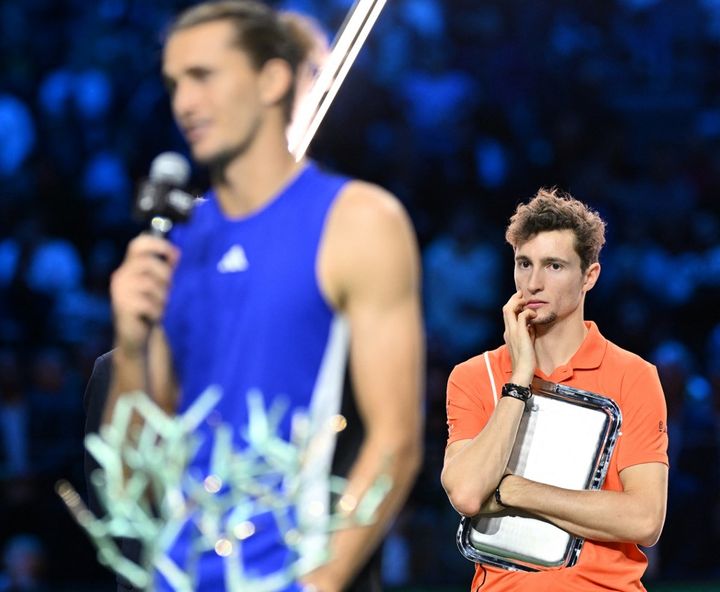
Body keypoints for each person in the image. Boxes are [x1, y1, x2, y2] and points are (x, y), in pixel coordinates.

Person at [97, 1, 424, 591]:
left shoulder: (358, 221)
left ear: (273, 79)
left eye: (204, 76)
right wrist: (128, 344)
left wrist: (322, 582)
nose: (184, 103)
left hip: (288, 574)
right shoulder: (179, 246)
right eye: (174, 83)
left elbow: (397, 439)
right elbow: (133, 481)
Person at [441, 188, 668, 591]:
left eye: (554, 266)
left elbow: (644, 520)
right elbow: (468, 494)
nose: (533, 283)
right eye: (524, 264)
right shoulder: (474, 375)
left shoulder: (634, 375)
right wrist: (520, 377)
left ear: (589, 276)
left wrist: (512, 489)